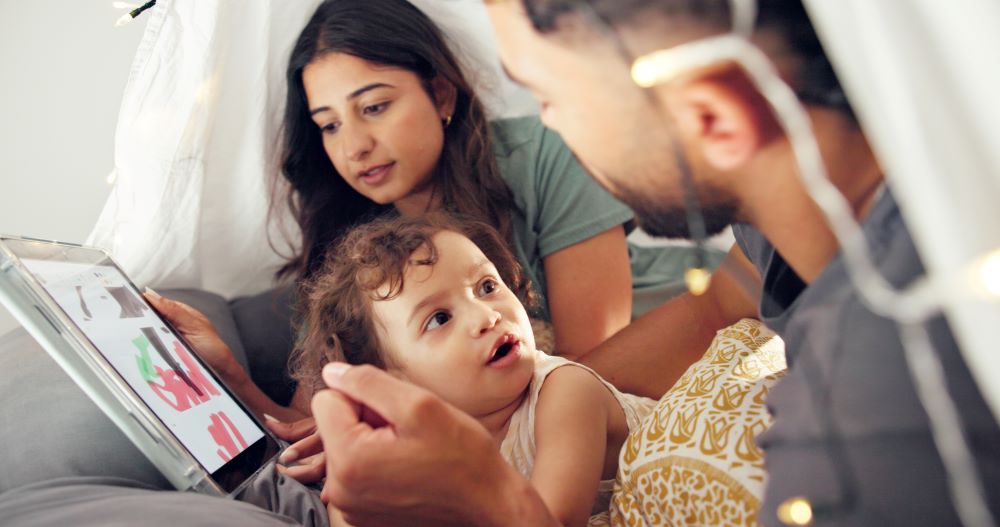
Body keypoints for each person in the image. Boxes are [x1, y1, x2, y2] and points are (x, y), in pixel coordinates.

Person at [305, 1, 1000, 526]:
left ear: (712, 116)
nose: (547, 124)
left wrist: (483, 495)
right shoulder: (793, 223)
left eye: (551, 96)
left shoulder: (874, 427)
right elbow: (720, 302)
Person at [150, 0, 719, 427]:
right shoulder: (356, 252)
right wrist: (229, 374)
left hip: (681, 349)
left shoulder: (545, 154)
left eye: (375, 106)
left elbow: (584, 367)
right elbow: (308, 428)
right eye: (330, 125)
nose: (354, 147)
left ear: (441, 96)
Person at [293, 213, 654, 526]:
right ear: (389, 381)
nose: (486, 315)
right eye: (440, 319)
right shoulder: (421, 442)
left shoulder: (567, 392)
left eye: (487, 286)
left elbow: (552, 520)